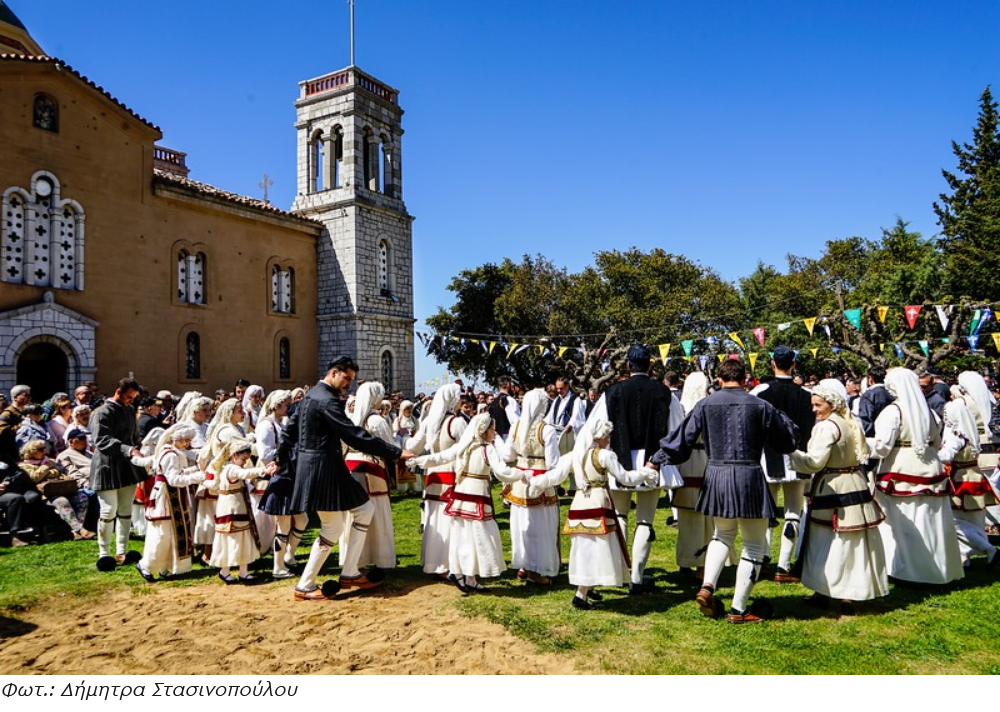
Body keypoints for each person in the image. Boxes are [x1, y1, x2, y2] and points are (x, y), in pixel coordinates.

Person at [650, 358, 799, 623]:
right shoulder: (761, 405)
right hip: (749, 474)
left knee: (722, 534)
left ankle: (707, 586)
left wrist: (656, 458)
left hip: (716, 474)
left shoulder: (705, 404)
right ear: (745, 378)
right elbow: (787, 439)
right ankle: (739, 609)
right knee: (753, 545)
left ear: (718, 379)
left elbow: (681, 438)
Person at [289, 357, 413, 600]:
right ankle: (305, 585)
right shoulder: (326, 400)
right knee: (332, 528)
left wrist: (281, 458)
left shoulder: (312, 396)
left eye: (351, 381)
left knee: (365, 510)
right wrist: (396, 452)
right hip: (323, 469)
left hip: (326, 467)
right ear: (334, 372)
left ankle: (350, 572)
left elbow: (289, 429)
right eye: (346, 379)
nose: (348, 385)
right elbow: (353, 435)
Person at [584, 344, 683, 594]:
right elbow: (676, 429)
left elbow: (594, 426)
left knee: (620, 517)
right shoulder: (663, 392)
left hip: (620, 458)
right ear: (650, 365)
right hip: (652, 460)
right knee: (645, 520)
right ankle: (636, 577)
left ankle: (620, 571)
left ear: (628, 365)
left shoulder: (613, 391)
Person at [530, 419, 658, 609]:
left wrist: (536, 481)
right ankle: (581, 593)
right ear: (603, 437)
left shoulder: (576, 455)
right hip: (598, 504)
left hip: (579, 504)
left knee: (584, 549)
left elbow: (555, 476)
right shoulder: (606, 456)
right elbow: (626, 479)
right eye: (608, 436)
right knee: (598, 549)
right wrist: (646, 473)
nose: (609, 439)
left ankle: (587, 588)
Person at [788, 384, 889, 609]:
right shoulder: (850, 423)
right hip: (855, 482)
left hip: (833, 487)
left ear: (832, 404)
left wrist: (791, 453)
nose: (814, 409)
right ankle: (847, 592)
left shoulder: (827, 427)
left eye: (818, 405)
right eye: (812, 405)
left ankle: (828, 589)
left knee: (829, 539)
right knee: (853, 541)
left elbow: (814, 462)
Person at [408, 412, 531, 593]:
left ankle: (466, 576)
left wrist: (418, 460)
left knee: (463, 535)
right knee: (480, 536)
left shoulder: (464, 447)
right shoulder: (486, 448)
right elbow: (501, 472)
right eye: (493, 430)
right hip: (477, 494)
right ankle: (462, 573)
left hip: (460, 494)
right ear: (485, 431)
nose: (494, 433)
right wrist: (522, 474)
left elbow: (440, 457)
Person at [871, 368, 963, 585]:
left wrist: (860, 446)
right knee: (933, 522)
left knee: (902, 524)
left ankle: (907, 570)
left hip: (900, 470)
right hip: (932, 469)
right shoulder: (929, 412)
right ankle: (937, 568)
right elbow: (937, 442)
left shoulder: (893, 412)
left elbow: (882, 447)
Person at [751, 345, 815, 583]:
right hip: (798, 457)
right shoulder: (807, 394)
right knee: (792, 512)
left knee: (766, 512)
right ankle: (783, 566)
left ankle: (762, 558)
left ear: (772, 364)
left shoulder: (759, 391)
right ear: (793, 365)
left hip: (768, 458)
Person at [499, 388, 561, 584]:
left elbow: (507, 456)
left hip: (519, 479)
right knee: (542, 526)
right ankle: (538, 569)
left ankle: (524, 564)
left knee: (521, 524)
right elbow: (553, 463)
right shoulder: (547, 430)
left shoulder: (516, 426)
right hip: (540, 480)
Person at [406, 384, 464, 576]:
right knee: (450, 518)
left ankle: (433, 561)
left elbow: (412, 446)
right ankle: (449, 562)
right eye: (459, 398)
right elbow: (464, 451)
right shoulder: (456, 423)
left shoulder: (429, 422)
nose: (461, 401)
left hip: (433, 474)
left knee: (434, 517)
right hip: (452, 473)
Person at [134, 423, 205, 581]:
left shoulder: (172, 452)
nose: (187, 444)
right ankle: (146, 565)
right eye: (185, 440)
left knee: (171, 534)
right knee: (161, 535)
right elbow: (173, 479)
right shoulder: (170, 455)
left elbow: (176, 473)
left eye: (189, 441)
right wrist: (197, 477)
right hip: (166, 497)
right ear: (176, 439)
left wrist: (194, 471)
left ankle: (165, 566)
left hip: (173, 495)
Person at [938, 391, 1000, 568]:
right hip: (974, 473)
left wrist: (930, 454)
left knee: (952, 519)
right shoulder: (969, 430)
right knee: (972, 518)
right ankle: (965, 557)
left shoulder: (955, 433)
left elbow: (947, 454)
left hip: (961, 476)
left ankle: (988, 548)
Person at [90, 378, 147, 570]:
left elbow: (134, 436)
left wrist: (139, 448)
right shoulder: (101, 412)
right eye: (129, 396)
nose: (131, 400)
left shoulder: (130, 411)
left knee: (125, 509)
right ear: (118, 392)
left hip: (127, 465)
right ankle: (104, 553)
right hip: (106, 465)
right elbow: (102, 440)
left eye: (133, 397)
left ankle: (122, 551)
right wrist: (128, 449)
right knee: (108, 510)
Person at [340, 381, 397, 571]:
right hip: (371, 468)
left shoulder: (349, 420)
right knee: (376, 512)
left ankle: (355, 558)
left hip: (350, 467)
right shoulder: (376, 421)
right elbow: (389, 447)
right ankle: (379, 557)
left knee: (354, 514)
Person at [209, 439, 277, 584]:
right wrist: (263, 470)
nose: (245, 462)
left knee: (243, 537)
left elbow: (246, 473)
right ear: (234, 455)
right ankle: (227, 571)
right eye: (243, 459)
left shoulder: (231, 468)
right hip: (231, 510)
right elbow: (244, 474)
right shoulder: (231, 469)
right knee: (232, 539)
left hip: (237, 507)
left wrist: (264, 470)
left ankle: (241, 571)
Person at [673, 371, 714, 577]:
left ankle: (688, 561)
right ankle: (701, 566)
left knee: (688, 518)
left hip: (687, 463)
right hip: (704, 461)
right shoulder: (707, 408)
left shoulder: (680, 409)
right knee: (705, 518)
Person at [0, 385, 31, 471]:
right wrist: (20, 426)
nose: (29, 398)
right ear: (15, 397)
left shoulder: (25, 411)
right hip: (11, 453)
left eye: (29, 395)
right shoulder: (7, 414)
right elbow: (2, 432)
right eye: (26, 395)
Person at [392, 400, 418, 493]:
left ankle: (415, 487)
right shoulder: (398, 420)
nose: (409, 410)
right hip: (403, 446)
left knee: (414, 463)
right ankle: (404, 488)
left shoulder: (414, 419)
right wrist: (400, 433)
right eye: (407, 408)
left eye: (410, 408)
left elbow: (418, 431)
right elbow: (394, 432)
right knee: (403, 466)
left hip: (412, 444)